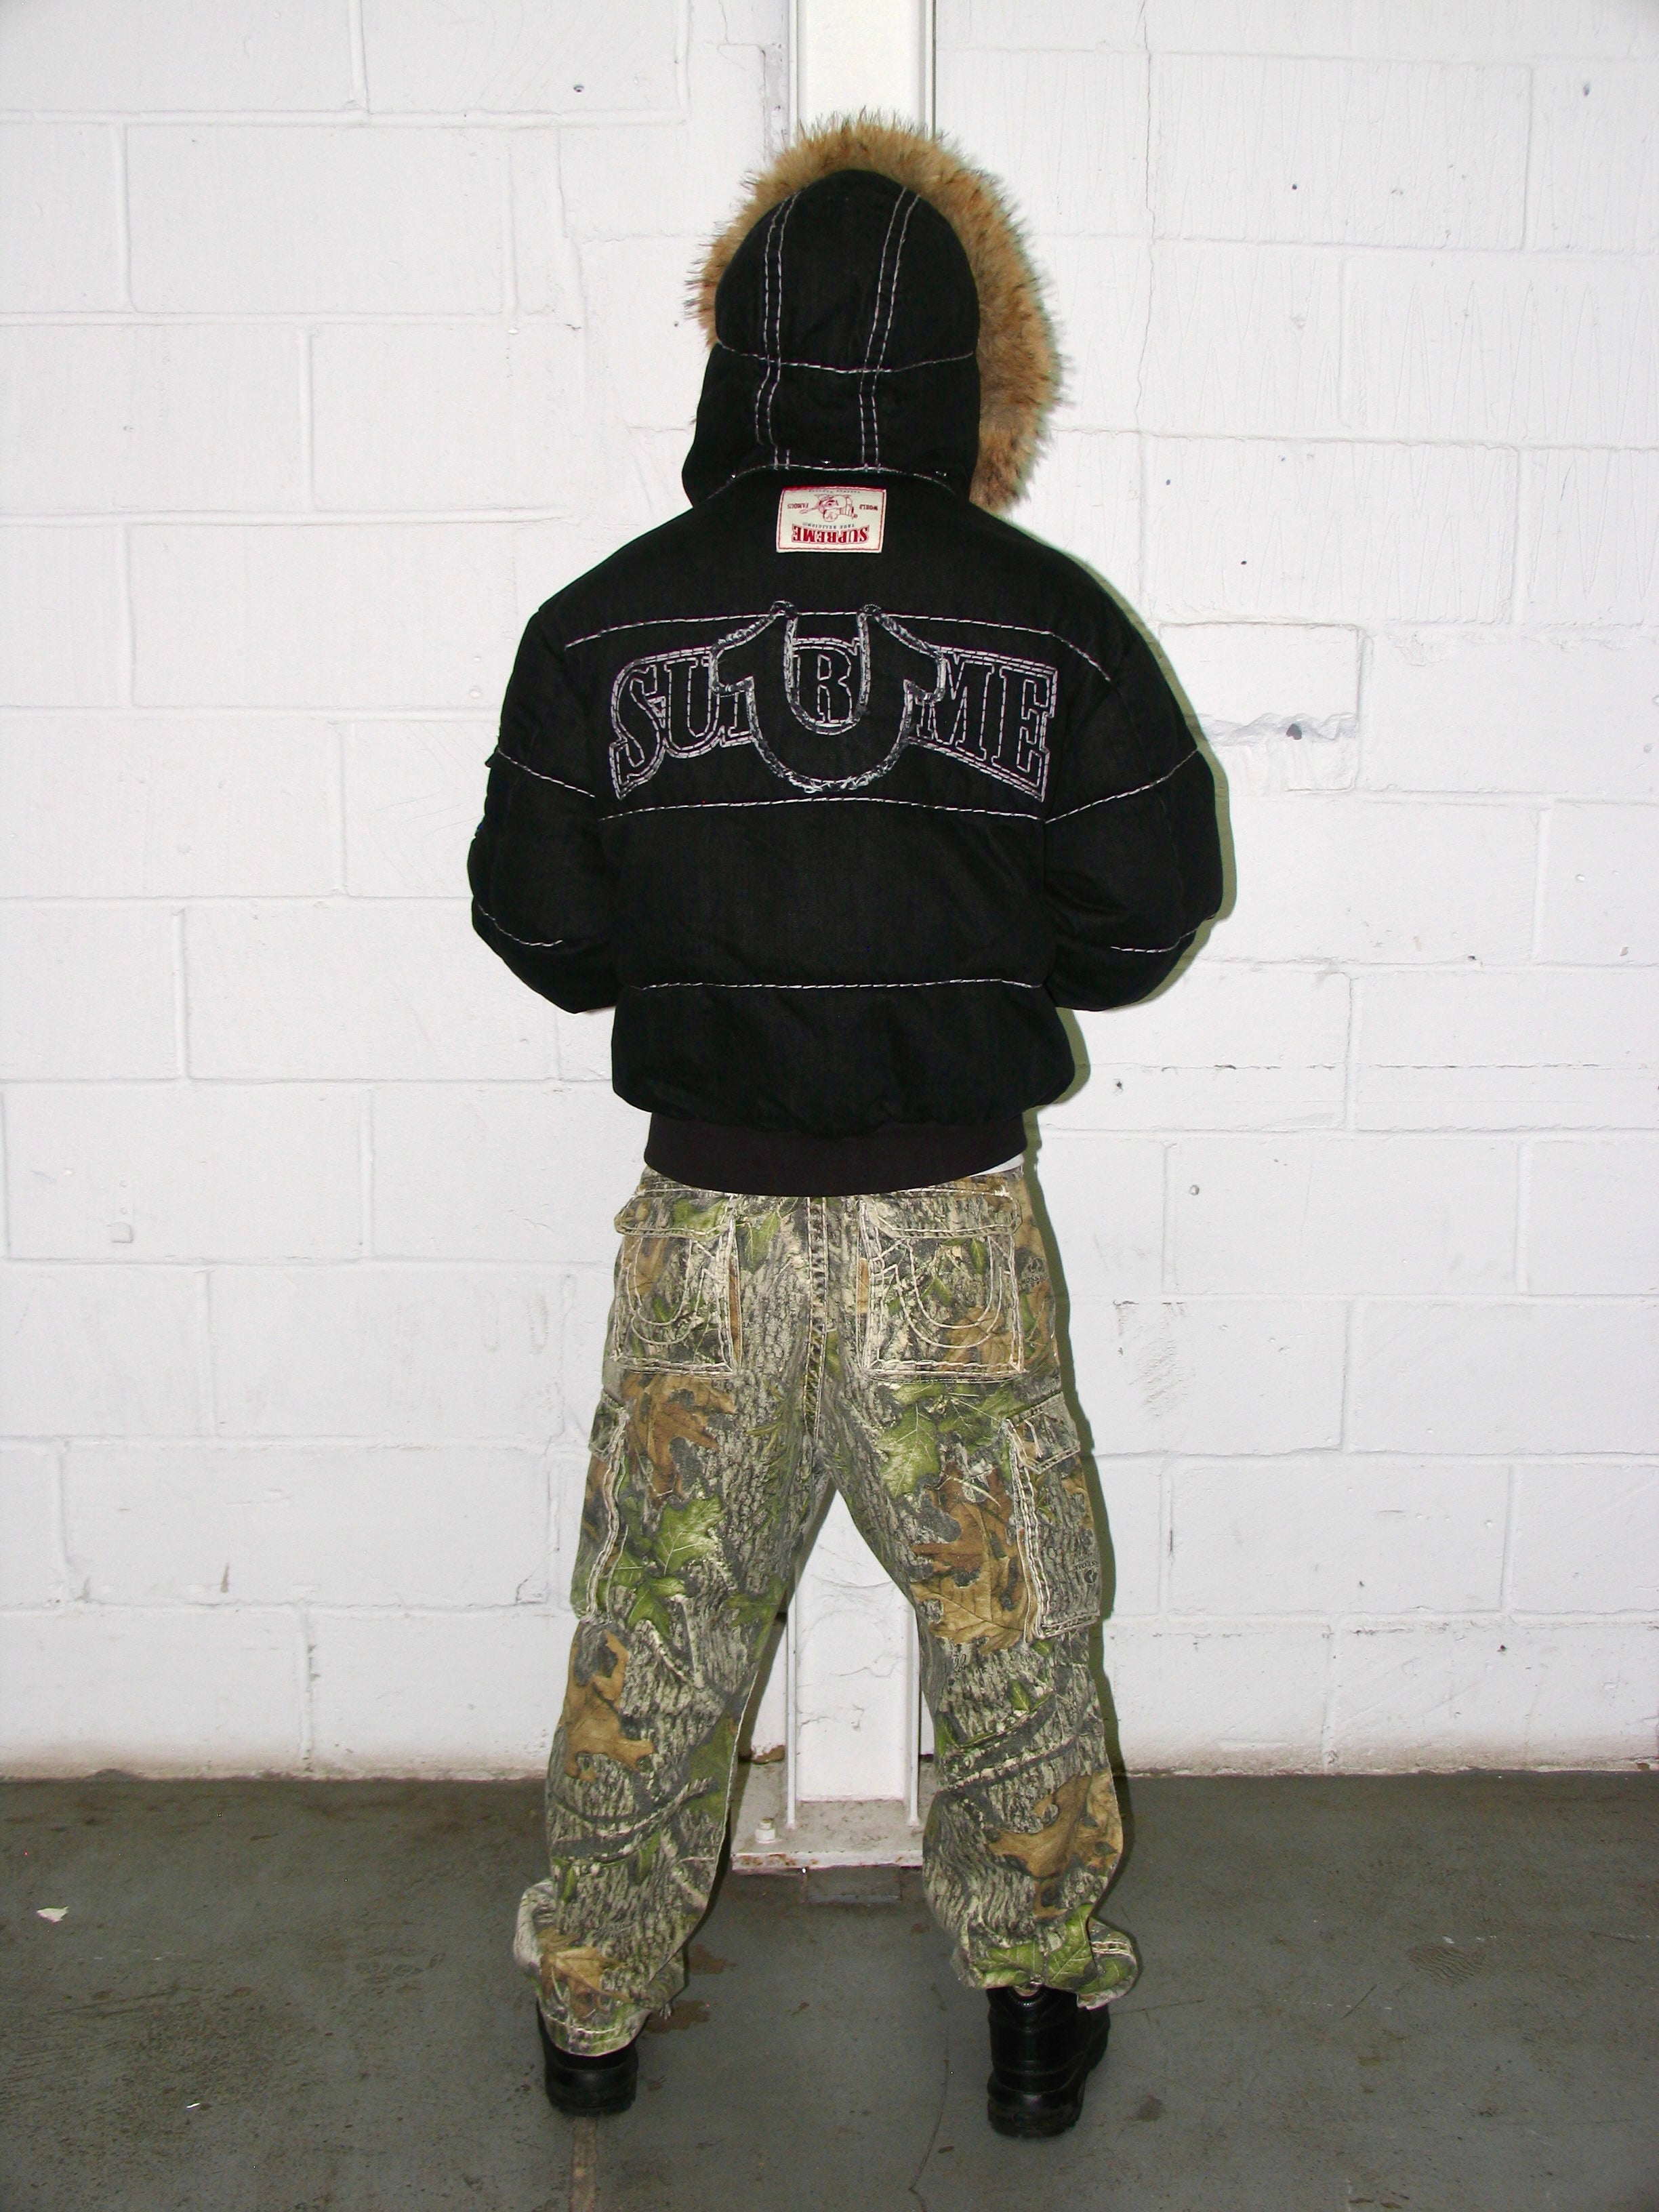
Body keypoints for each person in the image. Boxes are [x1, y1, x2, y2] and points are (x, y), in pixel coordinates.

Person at [467, 118, 1223, 2141]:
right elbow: (1148, 909)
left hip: (707, 1223)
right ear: (972, 367)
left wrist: (686, 953)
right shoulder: (1049, 621)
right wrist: (976, 962)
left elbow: (538, 930)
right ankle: (1037, 2014)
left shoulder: (603, 625)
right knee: (1015, 1624)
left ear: (738, 353)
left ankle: (595, 2016)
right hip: (947, 1222)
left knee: (658, 1615)